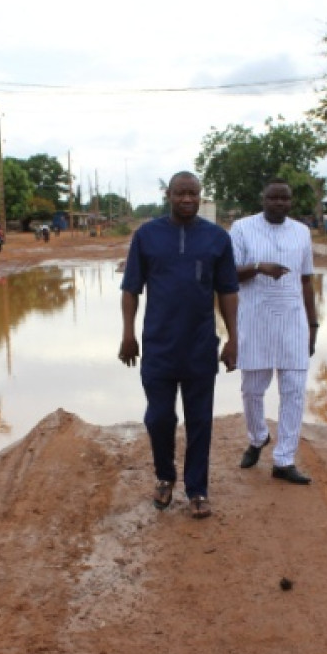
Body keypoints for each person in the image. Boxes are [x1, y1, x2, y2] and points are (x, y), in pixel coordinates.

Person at [119, 171, 239, 519]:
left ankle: (197, 490)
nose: (187, 199)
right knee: (159, 418)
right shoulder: (147, 236)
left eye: (193, 193)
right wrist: (128, 333)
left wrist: (234, 338)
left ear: (200, 196)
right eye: (180, 193)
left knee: (200, 420)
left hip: (200, 346)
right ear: (168, 195)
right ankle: (164, 476)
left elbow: (228, 291)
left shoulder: (217, 238)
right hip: (158, 346)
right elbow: (131, 289)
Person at [231, 178, 317, 485]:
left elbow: (306, 280)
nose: (280, 203)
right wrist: (257, 267)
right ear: (263, 198)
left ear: (290, 202)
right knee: (252, 390)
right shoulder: (242, 229)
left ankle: (284, 460)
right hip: (255, 321)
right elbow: (228, 274)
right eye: (274, 198)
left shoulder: (302, 232)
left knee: (293, 392)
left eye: (285, 199)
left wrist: (313, 324)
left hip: (293, 322)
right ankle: (258, 437)